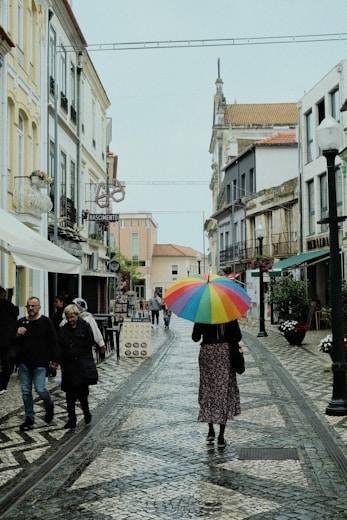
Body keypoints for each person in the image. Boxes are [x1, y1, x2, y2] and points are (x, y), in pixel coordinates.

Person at [192, 320, 242, 448]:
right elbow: (237, 336)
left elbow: (195, 337)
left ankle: (210, 430)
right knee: (223, 390)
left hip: (207, 352)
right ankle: (221, 436)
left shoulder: (203, 315)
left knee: (208, 390)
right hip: (224, 353)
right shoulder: (229, 315)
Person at [15, 297, 59, 431]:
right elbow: (12, 341)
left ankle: (49, 404)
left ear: (39, 307)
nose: (30, 308)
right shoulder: (21, 322)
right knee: (26, 391)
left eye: (33, 306)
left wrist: (55, 360)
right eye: (28, 306)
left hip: (40, 363)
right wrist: (17, 334)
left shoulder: (46, 322)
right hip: (24, 363)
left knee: (40, 389)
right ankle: (29, 418)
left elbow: (53, 341)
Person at [59, 304, 97, 429]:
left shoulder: (85, 326)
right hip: (68, 366)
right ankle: (72, 419)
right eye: (68, 317)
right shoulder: (64, 329)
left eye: (72, 317)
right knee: (69, 394)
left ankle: (86, 412)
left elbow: (89, 342)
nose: (70, 320)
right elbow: (61, 346)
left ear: (77, 315)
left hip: (81, 365)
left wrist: (77, 352)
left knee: (82, 393)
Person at [0, 286, 19, 394]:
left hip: (6, 340)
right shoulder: (10, 307)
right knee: (7, 365)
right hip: (8, 340)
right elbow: (16, 312)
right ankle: (3, 385)